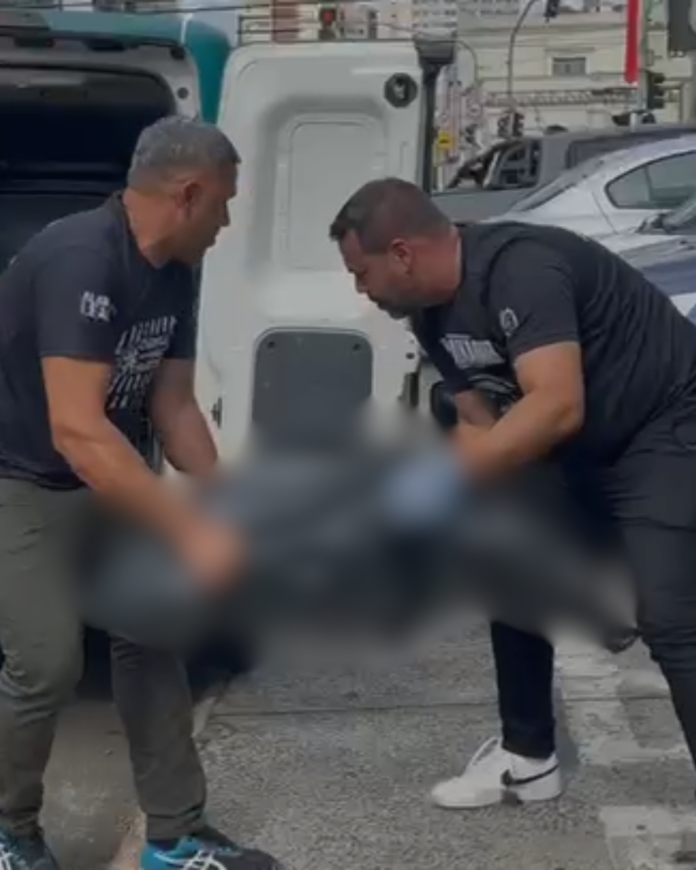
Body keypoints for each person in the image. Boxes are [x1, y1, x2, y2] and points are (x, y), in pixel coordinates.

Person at [328, 176, 696, 810]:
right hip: (579, 446)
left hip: (663, 428)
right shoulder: (429, 312)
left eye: (361, 272)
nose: (360, 288)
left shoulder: (520, 268)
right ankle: (528, 759)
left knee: (670, 616)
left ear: (402, 253)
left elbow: (556, 405)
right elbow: (481, 428)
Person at [0, 117, 281, 870]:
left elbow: (174, 407)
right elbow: (76, 428)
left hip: (105, 470)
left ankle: (174, 838)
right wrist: (189, 535)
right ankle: (8, 830)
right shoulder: (82, 259)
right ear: (188, 194)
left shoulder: (176, 272)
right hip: (19, 477)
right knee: (45, 664)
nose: (226, 222)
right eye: (223, 203)